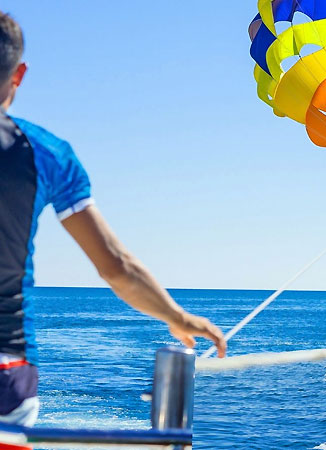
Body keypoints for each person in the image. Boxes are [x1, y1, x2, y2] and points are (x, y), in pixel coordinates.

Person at [0, 11, 227, 431]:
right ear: (20, 73)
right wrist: (177, 317)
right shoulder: (47, 154)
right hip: (7, 375)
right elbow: (116, 267)